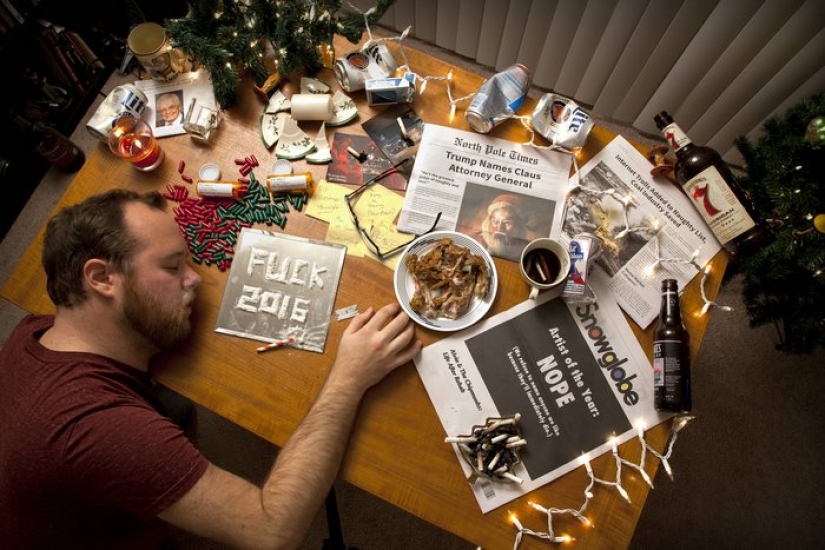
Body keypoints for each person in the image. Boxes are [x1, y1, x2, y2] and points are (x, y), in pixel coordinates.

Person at [0, 189, 422, 548]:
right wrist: (349, 376)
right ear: (102, 278)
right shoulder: (102, 432)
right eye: (171, 267)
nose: (195, 279)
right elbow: (271, 531)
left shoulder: (37, 330)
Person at [472, 192, 530, 261]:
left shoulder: (525, 254)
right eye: (495, 222)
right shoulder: (478, 244)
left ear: (519, 227)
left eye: (507, 223)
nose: (499, 229)